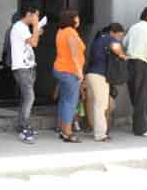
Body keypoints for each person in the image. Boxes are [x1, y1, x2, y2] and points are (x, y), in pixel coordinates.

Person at [86, 23, 126, 142]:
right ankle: (100, 134)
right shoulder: (109, 38)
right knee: (101, 105)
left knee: (94, 104)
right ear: (113, 32)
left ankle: (96, 129)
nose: (119, 39)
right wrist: (122, 55)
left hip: (91, 74)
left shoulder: (98, 39)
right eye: (119, 36)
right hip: (99, 75)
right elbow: (116, 49)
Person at [124, 6, 147, 137]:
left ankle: (138, 125)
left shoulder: (133, 28)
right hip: (142, 65)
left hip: (130, 63)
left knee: (135, 96)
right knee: (141, 97)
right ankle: (141, 129)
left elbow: (125, 43)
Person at [10, 5, 42, 144]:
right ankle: (25, 129)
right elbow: (34, 43)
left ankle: (20, 125)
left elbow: (33, 41)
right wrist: (35, 27)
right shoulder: (19, 27)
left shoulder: (23, 28)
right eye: (36, 15)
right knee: (30, 97)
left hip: (28, 66)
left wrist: (36, 30)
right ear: (29, 14)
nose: (37, 18)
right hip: (22, 67)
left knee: (25, 98)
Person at [53, 10, 86, 143]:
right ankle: (68, 132)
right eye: (77, 17)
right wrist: (79, 71)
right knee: (71, 103)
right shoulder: (71, 32)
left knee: (64, 101)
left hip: (60, 69)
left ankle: (62, 129)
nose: (78, 20)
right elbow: (74, 54)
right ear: (72, 19)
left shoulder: (60, 31)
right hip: (70, 70)